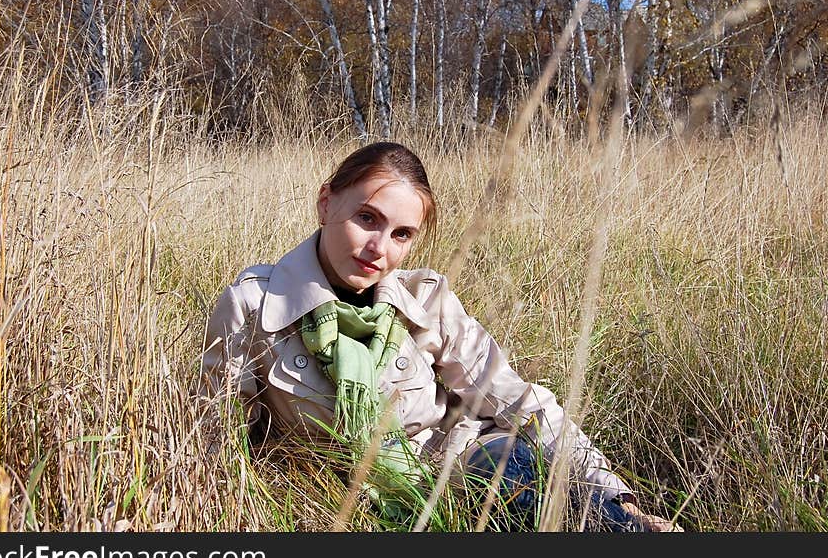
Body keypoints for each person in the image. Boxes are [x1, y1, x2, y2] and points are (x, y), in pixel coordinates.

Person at [200, 141, 682, 532]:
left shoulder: (425, 300)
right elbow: (219, 443)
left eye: (402, 234)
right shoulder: (254, 305)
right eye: (367, 218)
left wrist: (620, 499)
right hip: (349, 503)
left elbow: (523, 404)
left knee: (544, 487)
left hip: (462, 473)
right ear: (326, 203)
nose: (379, 248)